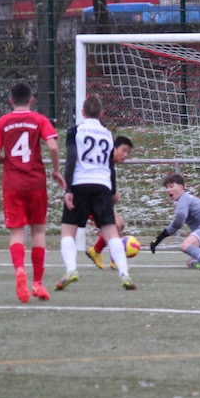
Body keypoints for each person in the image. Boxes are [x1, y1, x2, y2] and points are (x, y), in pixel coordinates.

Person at [0, 81, 65, 303]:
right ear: (32, 100)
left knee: (16, 234)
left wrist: (7, 160)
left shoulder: (3, 122)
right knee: (38, 232)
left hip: (12, 184)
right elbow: (52, 146)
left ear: (11, 101)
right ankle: (38, 283)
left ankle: (20, 270)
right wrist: (56, 170)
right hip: (35, 183)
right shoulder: (39, 119)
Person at [55, 94, 136, 291]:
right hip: (102, 185)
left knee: (68, 231)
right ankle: (124, 273)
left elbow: (72, 159)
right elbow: (109, 165)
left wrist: (68, 188)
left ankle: (72, 269)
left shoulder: (75, 131)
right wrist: (112, 191)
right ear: (101, 113)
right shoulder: (108, 134)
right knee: (111, 232)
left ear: (82, 113)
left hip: (81, 183)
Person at [149, 173, 200, 270]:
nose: (168, 190)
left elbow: (179, 220)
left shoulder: (183, 199)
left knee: (185, 245)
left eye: (171, 186)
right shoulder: (191, 201)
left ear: (181, 187)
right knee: (190, 262)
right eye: (167, 187)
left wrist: (158, 239)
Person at [84, 135, 134, 270]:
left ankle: (96, 250)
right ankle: (115, 261)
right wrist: (114, 197)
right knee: (116, 225)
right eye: (123, 150)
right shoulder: (105, 164)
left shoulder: (110, 164)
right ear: (114, 148)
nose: (125, 155)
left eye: (128, 152)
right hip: (89, 201)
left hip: (99, 201)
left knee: (120, 224)